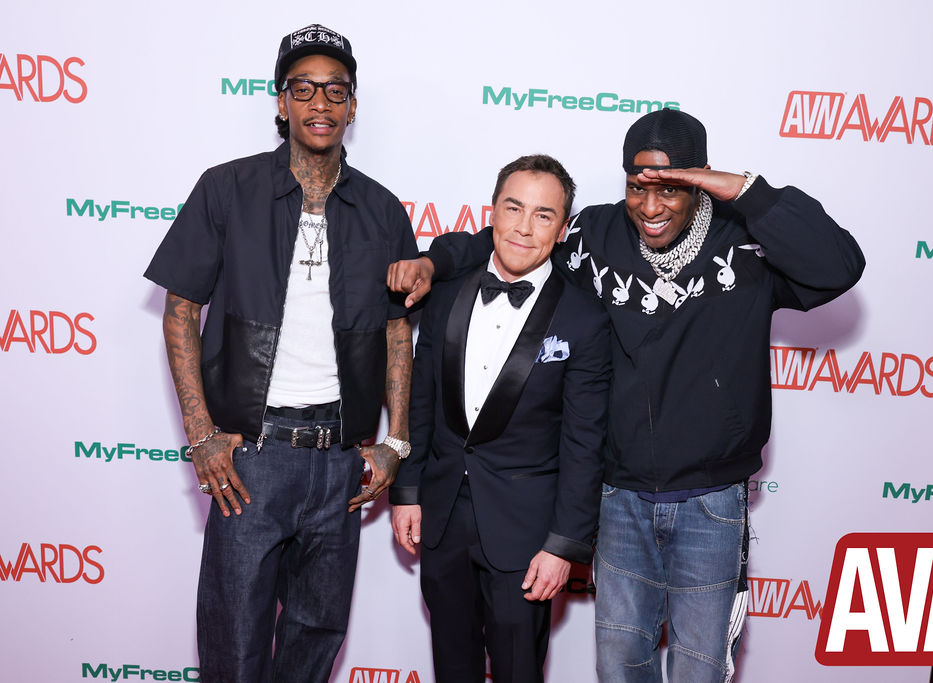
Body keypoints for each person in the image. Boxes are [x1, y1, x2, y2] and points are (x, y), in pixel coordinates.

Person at [387, 109, 865, 683]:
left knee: (699, 668)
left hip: (711, 499)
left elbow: (839, 266)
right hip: (618, 496)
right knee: (619, 665)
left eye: (672, 188)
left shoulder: (747, 243)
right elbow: (514, 243)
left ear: (701, 181)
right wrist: (433, 261)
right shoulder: (594, 235)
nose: (652, 206)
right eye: (639, 187)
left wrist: (745, 192)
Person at [144, 23, 417, 683]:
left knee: (314, 646)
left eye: (335, 90)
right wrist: (202, 433)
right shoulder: (227, 189)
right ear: (281, 101)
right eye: (304, 89)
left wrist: (395, 441)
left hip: (340, 465)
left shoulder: (382, 209)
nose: (320, 103)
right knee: (234, 647)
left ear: (353, 105)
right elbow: (180, 310)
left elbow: (396, 333)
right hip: (252, 460)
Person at [389, 155, 612, 683]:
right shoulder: (446, 292)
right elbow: (422, 402)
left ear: (561, 230)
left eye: (543, 215)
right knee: (451, 666)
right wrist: (407, 491)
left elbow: (584, 443)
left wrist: (563, 544)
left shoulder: (585, 318)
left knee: (518, 671)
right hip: (442, 517)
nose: (524, 227)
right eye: (514, 208)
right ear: (492, 211)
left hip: (526, 535)